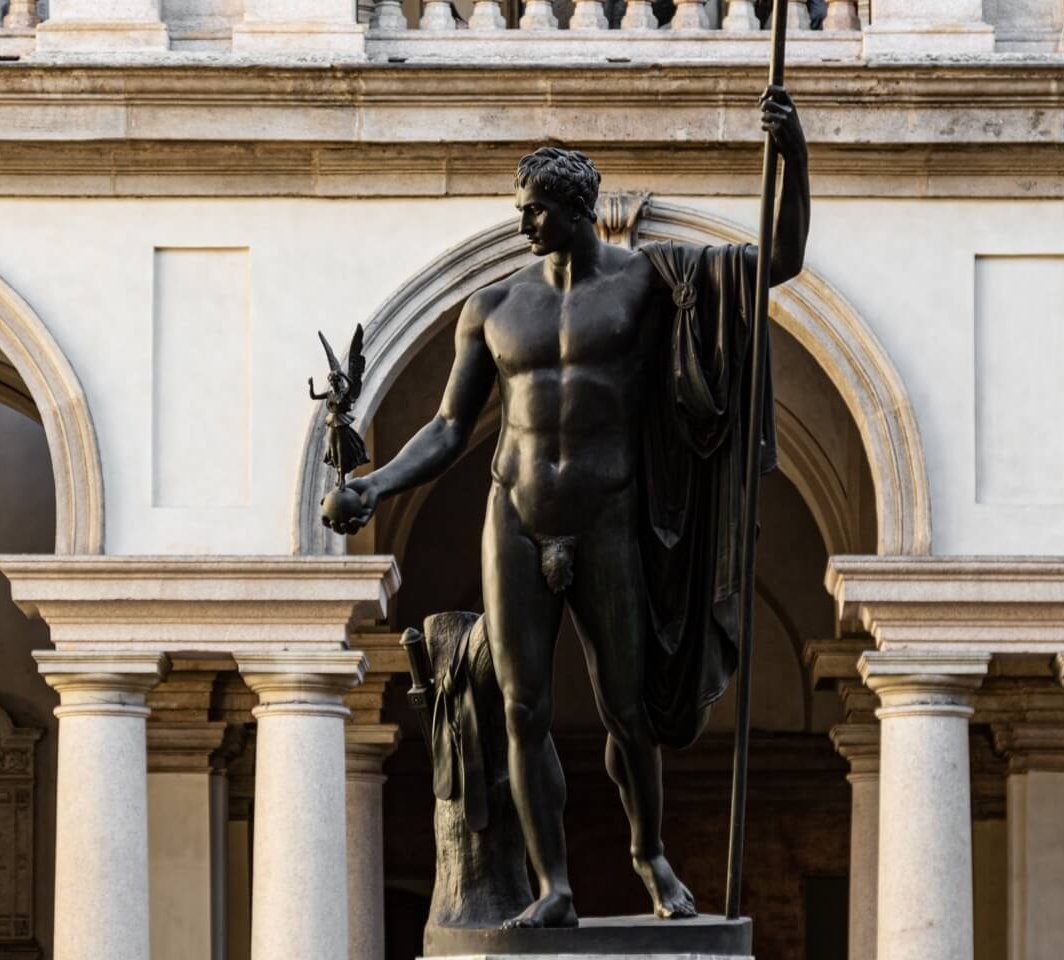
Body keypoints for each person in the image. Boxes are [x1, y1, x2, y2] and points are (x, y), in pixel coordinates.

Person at [323, 86, 808, 929]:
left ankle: (649, 855)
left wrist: (792, 157)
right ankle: (554, 887)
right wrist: (375, 484)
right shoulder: (494, 305)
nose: (524, 227)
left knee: (627, 706)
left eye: (536, 212)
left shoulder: (651, 284)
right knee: (522, 704)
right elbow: (447, 426)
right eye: (520, 212)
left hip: (610, 512)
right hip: (514, 511)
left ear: (575, 208)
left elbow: (777, 263)